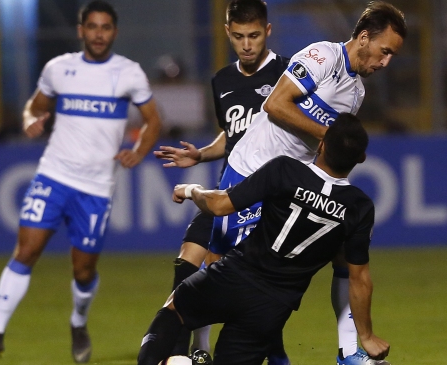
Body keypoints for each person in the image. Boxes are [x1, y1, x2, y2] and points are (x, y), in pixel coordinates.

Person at [207, 1, 406, 364]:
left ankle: (350, 352)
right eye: (385, 51)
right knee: (225, 269)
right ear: (364, 38)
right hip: (252, 169)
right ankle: (195, 346)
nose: (385, 62)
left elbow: (326, 152)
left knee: (343, 257)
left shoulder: (356, 93)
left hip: (291, 184)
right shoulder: (322, 57)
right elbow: (276, 105)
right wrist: (330, 133)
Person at [0, 1, 162, 363]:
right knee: (25, 251)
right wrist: (31, 117)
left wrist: (139, 150)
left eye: (105, 27)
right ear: (81, 30)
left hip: (96, 187)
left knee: (84, 269)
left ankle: (78, 322)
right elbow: (35, 104)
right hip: (54, 176)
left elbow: (153, 120)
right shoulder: (59, 69)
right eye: (92, 26)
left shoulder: (129, 73)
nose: (99, 34)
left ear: (114, 32)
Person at [138, 113, 388, 365]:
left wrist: (191, 190)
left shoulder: (284, 169)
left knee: (172, 312)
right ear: (361, 158)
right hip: (272, 308)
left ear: (321, 145)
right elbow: (359, 278)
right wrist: (366, 336)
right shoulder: (359, 207)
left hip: (233, 276)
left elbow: (220, 205)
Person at [155, 0, 289, 361]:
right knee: (189, 260)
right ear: (228, 33)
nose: (247, 44)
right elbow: (231, 134)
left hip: (266, 198)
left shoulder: (288, 74)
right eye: (240, 36)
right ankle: (189, 353)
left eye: (255, 35)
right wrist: (200, 154)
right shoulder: (222, 80)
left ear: (268, 32)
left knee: (249, 289)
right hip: (227, 191)